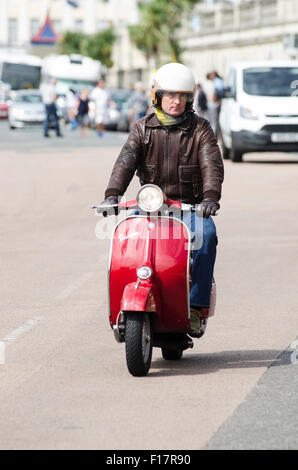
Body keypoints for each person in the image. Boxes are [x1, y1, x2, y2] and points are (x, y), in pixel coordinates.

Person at [98, 63, 224, 334]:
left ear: (189, 99)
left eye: (181, 96)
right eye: (169, 95)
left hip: (190, 207)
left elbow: (211, 164)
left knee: (207, 237)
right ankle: (124, 303)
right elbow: (125, 162)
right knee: (124, 242)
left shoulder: (200, 129)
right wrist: (112, 195)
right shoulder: (143, 129)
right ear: (157, 96)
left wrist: (210, 198)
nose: (175, 101)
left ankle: (195, 307)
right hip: (150, 207)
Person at [203, 72, 220, 137]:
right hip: (212, 105)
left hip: (205, 105)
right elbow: (212, 96)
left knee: (207, 120)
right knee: (214, 122)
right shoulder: (211, 84)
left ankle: (207, 135)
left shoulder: (204, 84)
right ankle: (213, 136)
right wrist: (217, 102)